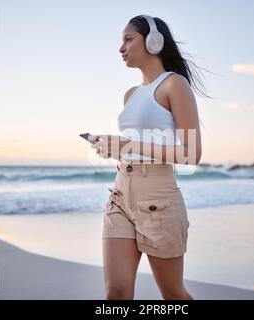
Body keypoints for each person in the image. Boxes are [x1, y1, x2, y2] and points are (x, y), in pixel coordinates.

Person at [90, 14, 208, 300]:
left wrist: (129, 145)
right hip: (120, 195)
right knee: (115, 293)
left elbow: (192, 153)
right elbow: (133, 147)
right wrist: (113, 148)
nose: (121, 48)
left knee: (172, 294)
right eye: (121, 41)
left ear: (154, 41)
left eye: (128, 39)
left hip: (159, 200)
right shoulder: (130, 95)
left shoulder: (174, 85)